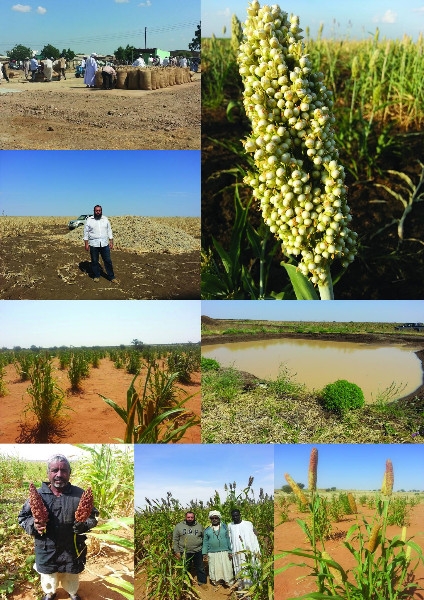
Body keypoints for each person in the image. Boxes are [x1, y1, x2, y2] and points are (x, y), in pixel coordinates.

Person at [18, 454, 98, 600]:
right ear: (48, 473)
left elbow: (93, 517)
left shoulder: (79, 494)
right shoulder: (38, 495)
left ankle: (72, 592)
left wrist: (83, 525)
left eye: (64, 470)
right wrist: (34, 525)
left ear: (69, 473)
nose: (59, 475)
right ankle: (50, 592)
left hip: (72, 548)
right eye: (55, 470)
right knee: (49, 576)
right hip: (46, 547)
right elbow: (23, 518)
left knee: (71, 574)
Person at [83, 205, 119, 283]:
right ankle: (96, 275)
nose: (98, 212)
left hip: (104, 244)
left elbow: (109, 230)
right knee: (95, 261)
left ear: (101, 211)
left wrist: (111, 241)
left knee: (108, 261)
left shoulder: (105, 219)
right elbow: (86, 233)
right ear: (94, 211)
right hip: (93, 244)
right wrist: (86, 244)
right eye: (96, 210)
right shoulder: (89, 220)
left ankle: (111, 277)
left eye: (99, 210)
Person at [228, 509, 261, 590]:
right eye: (233, 516)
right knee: (239, 568)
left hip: (249, 551)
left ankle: (251, 587)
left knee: (250, 567)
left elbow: (254, 537)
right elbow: (229, 539)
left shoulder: (248, 524)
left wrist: (256, 550)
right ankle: (242, 588)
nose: (235, 517)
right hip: (237, 552)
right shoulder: (230, 525)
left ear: (240, 515)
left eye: (237, 515)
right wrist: (230, 551)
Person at [172, 512, 207, 587]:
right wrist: (176, 551)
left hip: (198, 550)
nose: (190, 519)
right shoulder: (179, 526)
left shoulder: (199, 526)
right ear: (185, 517)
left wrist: (204, 551)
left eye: (192, 517)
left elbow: (204, 538)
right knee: (185, 567)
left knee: (200, 567)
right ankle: (186, 583)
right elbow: (175, 539)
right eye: (188, 517)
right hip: (184, 551)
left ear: (194, 518)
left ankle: (202, 582)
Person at [202, 511, 234, 588]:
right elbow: (205, 542)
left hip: (225, 551)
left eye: (216, 518)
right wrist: (204, 553)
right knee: (214, 567)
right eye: (212, 518)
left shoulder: (225, 527)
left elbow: (228, 539)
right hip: (212, 552)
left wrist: (230, 551)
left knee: (226, 567)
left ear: (219, 518)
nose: (214, 519)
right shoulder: (207, 530)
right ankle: (216, 582)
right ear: (210, 519)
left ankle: (228, 582)